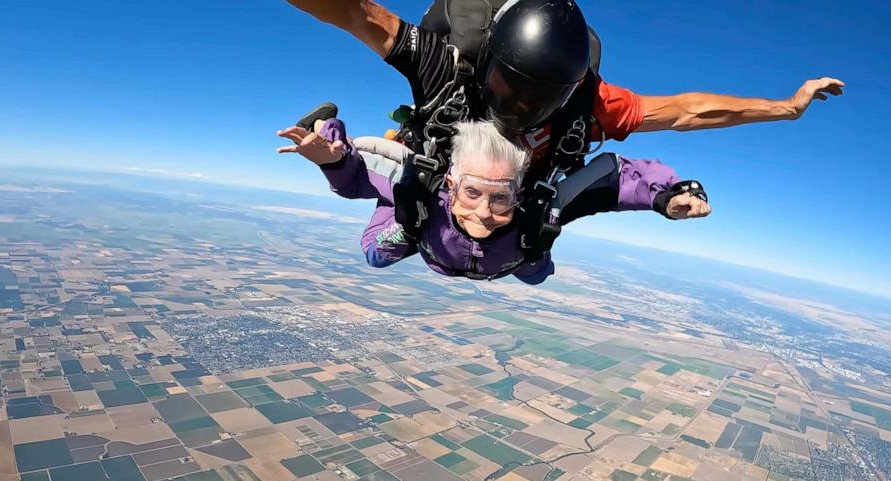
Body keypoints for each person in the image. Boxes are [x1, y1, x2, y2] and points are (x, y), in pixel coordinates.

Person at [283, 0, 845, 161]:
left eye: (540, 95)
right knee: (397, 157)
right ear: (486, 67)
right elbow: (357, 12)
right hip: (443, 161)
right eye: (511, 86)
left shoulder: (587, 102)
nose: (522, 105)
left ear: (569, 87)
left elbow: (687, 111)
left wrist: (785, 108)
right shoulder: (446, 66)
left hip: (505, 193)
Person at [276, 115, 710, 284]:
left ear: (517, 194)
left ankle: (527, 245)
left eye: (500, 197)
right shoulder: (424, 191)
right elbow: (358, 177)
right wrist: (330, 158)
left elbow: (611, 179)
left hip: (506, 256)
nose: (484, 211)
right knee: (379, 253)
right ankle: (405, 219)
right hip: (419, 227)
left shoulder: (536, 210)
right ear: (450, 184)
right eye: (472, 192)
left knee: (537, 265)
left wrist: (666, 197)